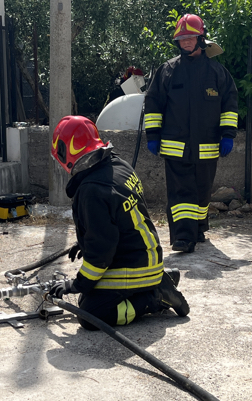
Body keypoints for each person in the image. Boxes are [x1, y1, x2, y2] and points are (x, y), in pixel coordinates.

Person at [48, 115, 189, 330]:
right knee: (93, 294)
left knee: (89, 312)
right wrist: (85, 241)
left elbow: (101, 253)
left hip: (132, 266)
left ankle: (154, 297)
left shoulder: (91, 190)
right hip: (147, 257)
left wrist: (76, 284)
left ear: (65, 153)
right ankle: (156, 280)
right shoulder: (118, 165)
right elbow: (118, 220)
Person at [143, 14, 239, 252]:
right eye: (182, 38)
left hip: (208, 147)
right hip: (175, 148)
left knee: (202, 191)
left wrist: (228, 134)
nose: (185, 42)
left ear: (201, 38)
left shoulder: (217, 73)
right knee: (180, 193)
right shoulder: (168, 71)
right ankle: (183, 238)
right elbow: (153, 104)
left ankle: (198, 228)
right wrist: (153, 136)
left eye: (190, 37)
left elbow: (230, 103)